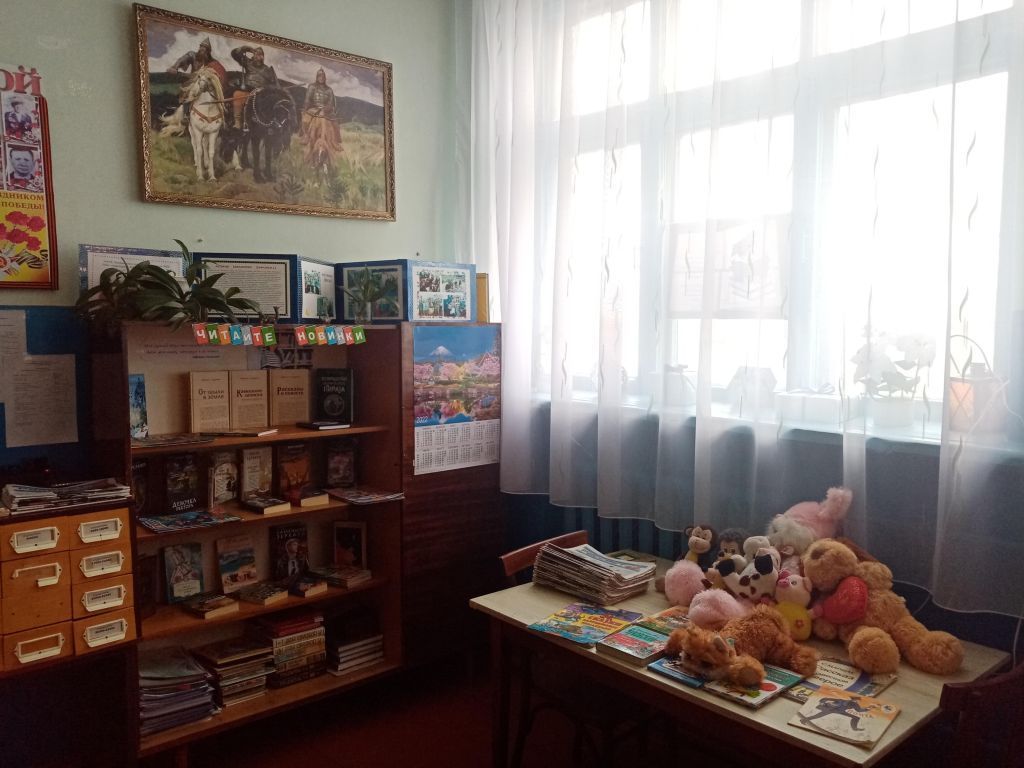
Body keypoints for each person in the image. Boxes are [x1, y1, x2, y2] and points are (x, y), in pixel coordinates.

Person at [166, 38, 228, 124]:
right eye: (201, 48)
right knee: (190, 93)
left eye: (204, 50)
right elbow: (182, 59)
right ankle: (185, 116)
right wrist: (175, 67)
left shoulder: (213, 63)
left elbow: (220, 74)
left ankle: (220, 117)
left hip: (206, 84)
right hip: (192, 82)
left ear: (208, 52)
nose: (202, 51)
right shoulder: (193, 55)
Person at [230, 44, 280, 130]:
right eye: (257, 54)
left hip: (261, 94)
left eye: (261, 55)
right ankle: (237, 122)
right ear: (253, 55)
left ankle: (270, 123)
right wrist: (245, 48)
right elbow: (234, 54)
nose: (259, 57)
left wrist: (264, 89)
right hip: (247, 90)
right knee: (237, 94)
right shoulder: (248, 63)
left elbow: (274, 85)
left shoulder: (268, 70)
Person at [301, 67, 342, 164]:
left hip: (326, 111)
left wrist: (324, 110)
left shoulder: (329, 90)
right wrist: (306, 109)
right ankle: (306, 135)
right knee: (305, 120)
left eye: (323, 76)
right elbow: (307, 99)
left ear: (325, 78)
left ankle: (335, 141)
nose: (321, 78)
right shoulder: (312, 87)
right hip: (313, 108)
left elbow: (331, 103)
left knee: (335, 124)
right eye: (319, 76)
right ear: (317, 77)